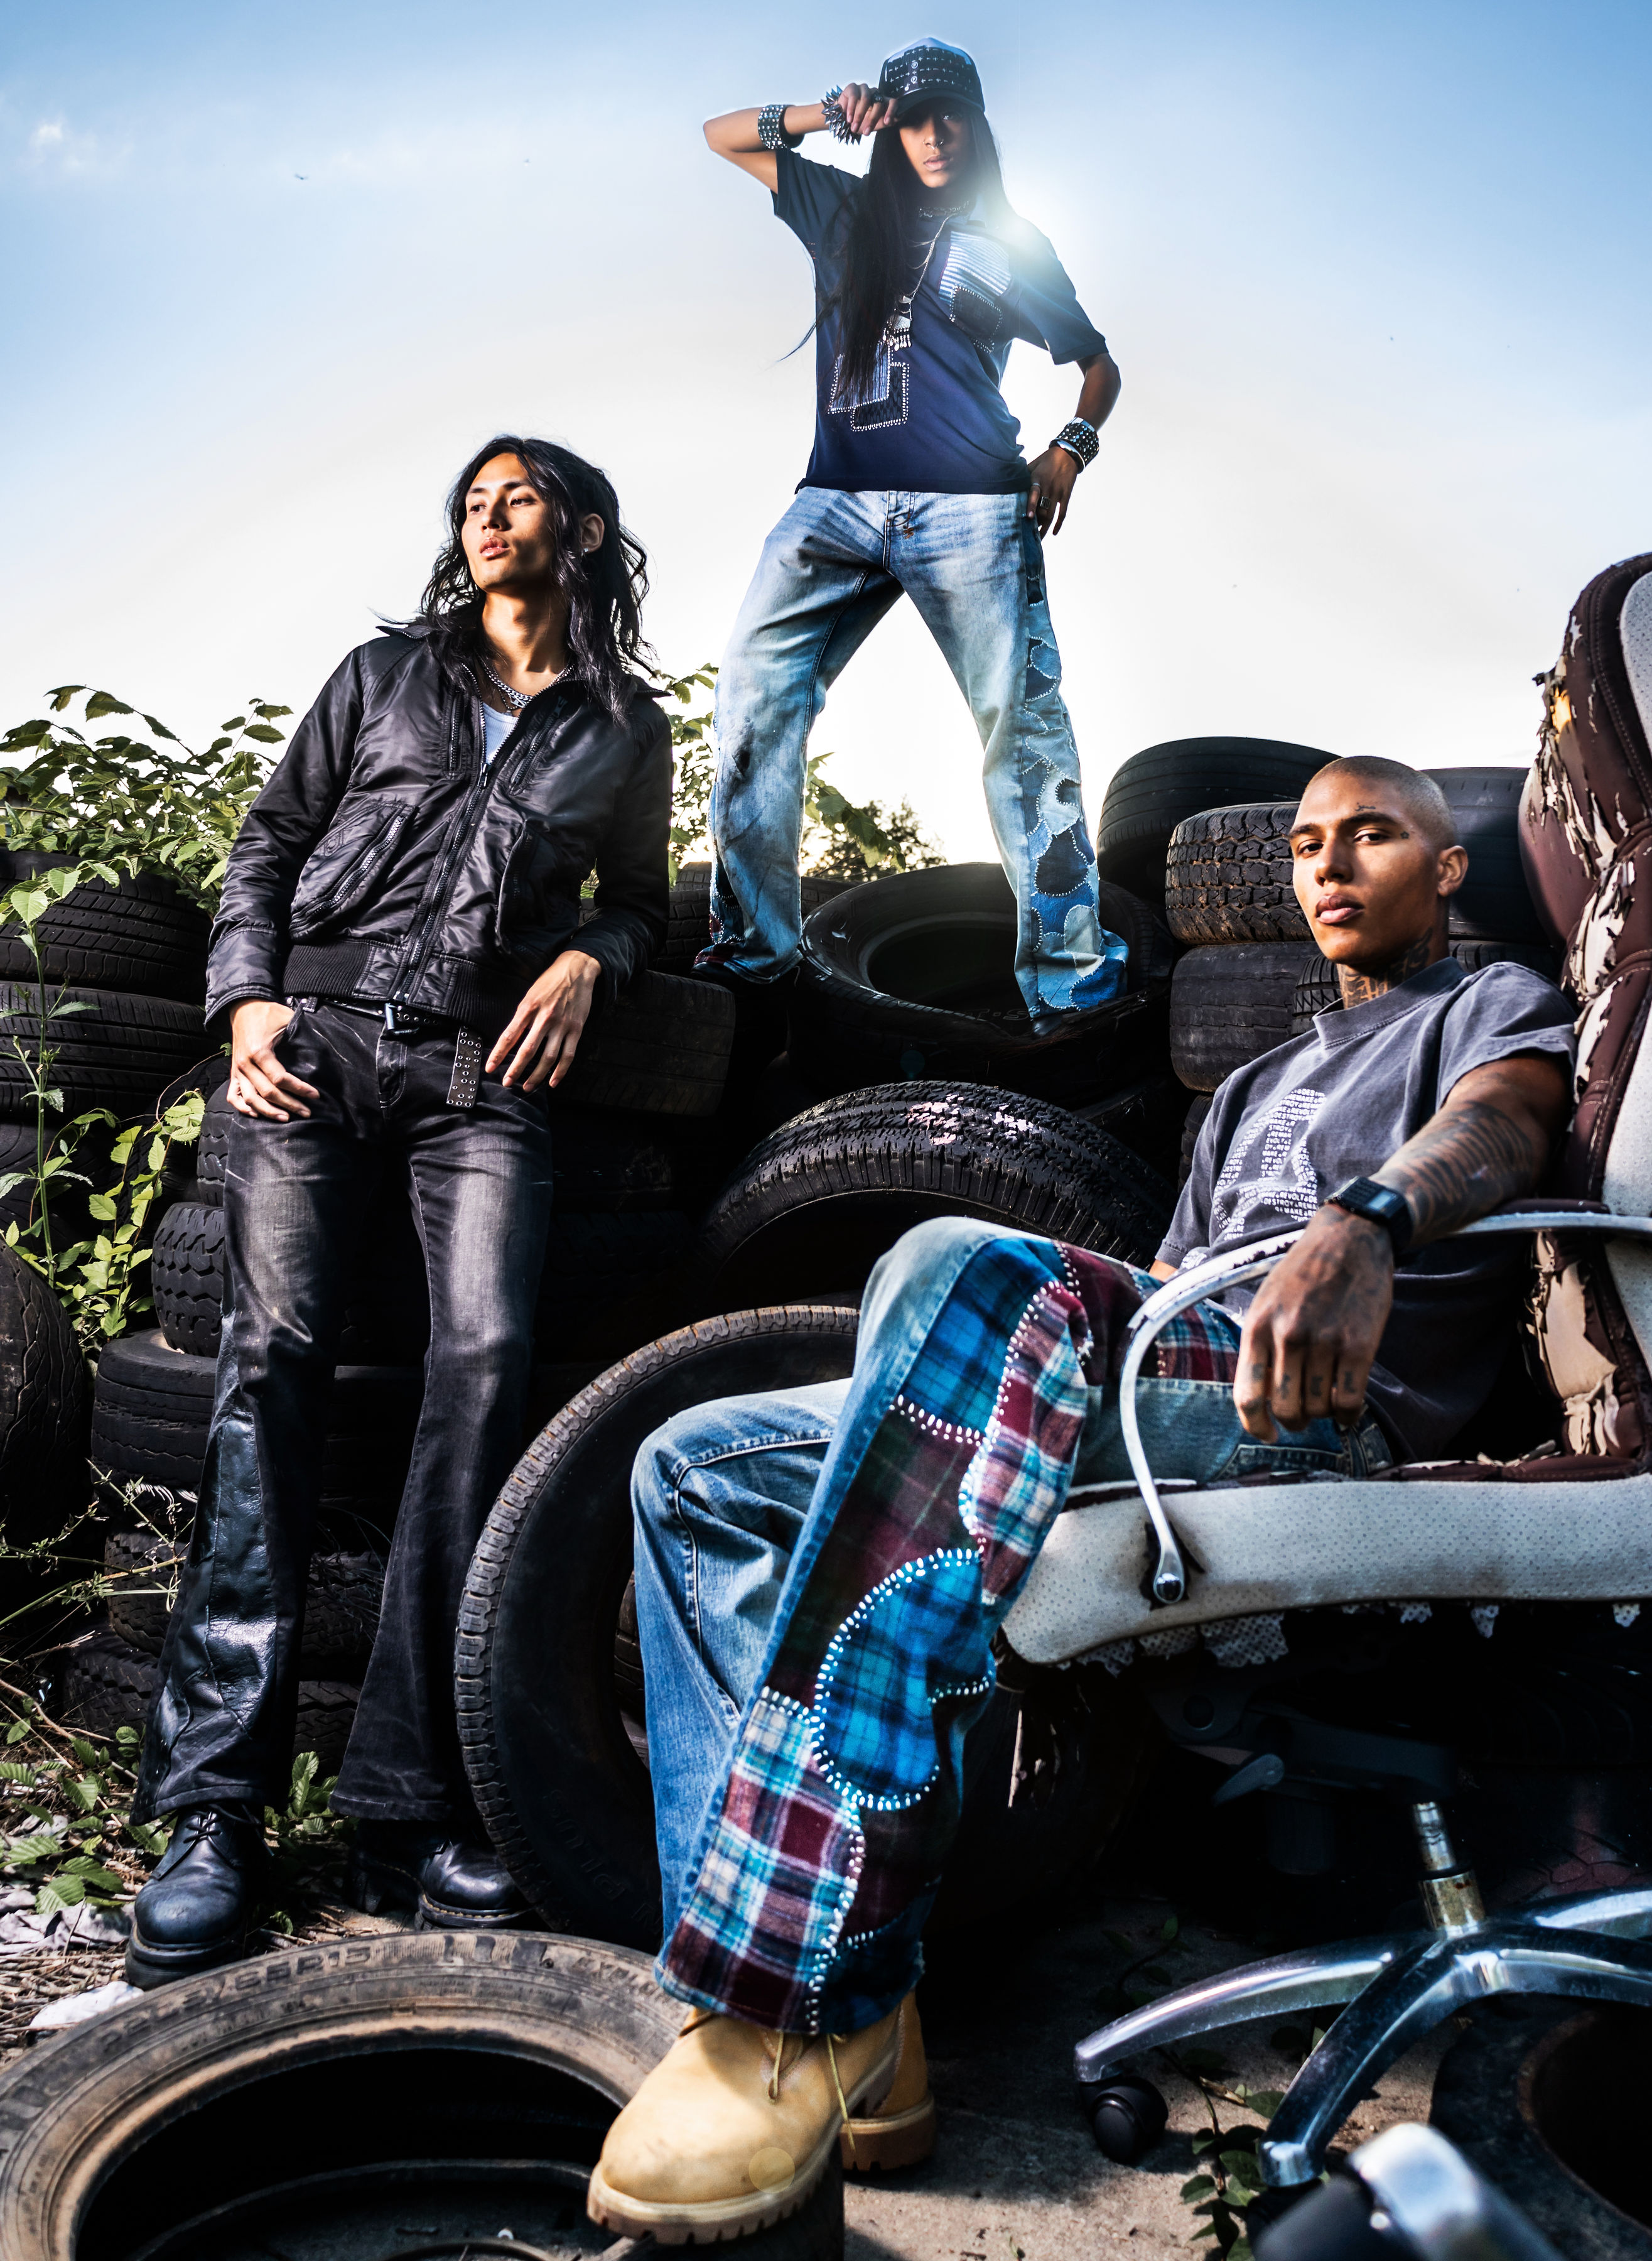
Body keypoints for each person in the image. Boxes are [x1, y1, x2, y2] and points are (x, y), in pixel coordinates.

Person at [586, 756, 1577, 2242]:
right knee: (695, 1466)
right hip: (1167, 1378)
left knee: (960, 1266)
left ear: (1445, 868)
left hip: (1313, 1406)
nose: (1327, 864)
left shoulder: (1488, 1006)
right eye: (1306, 843)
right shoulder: (1250, 1085)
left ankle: (780, 2004)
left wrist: (1365, 1220)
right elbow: (1164, 1285)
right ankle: (867, 2008)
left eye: (1372, 835)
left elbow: (1508, 1121)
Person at [124, 438, 673, 1988]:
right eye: (471, 503)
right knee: (271, 1359)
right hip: (313, 1047)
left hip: (484, 1075)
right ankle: (216, 1809)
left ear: (582, 527)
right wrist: (245, 1001)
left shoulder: (624, 724)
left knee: (487, 1368)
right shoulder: (382, 677)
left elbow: (638, 898)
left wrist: (595, 958)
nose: (487, 518)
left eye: (517, 496)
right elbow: (267, 845)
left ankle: (406, 1804)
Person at [698, 38, 1128, 1032]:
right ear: (889, 129)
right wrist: (827, 114)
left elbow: (1098, 364)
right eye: (915, 119)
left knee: (1022, 733)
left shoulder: (1012, 242)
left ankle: (1072, 990)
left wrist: (1071, 448)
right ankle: (753, 958)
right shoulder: (843, 211)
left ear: (977, 126)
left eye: (952, 117)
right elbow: (721, 137)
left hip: (972, 506)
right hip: (834, 501)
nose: (937, 136)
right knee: (753, 699)